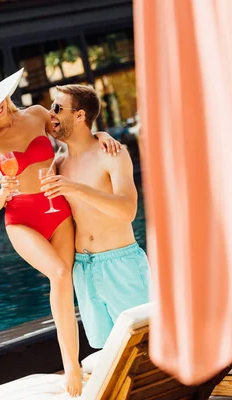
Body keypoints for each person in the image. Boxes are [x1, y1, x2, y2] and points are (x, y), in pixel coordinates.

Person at [0, 69, 121, 397]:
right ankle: (70, 365)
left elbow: (76, 137)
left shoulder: (38, 115)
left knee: (66, 279)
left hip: (57, 210)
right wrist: (4, 190)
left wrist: (101, 137)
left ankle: (80, 356)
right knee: (57, 272)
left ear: (5, 92)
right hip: (21, 219)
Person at [41, 84, 150, 351]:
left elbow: (128, 210)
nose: (50, 114)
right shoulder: (58, 162)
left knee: (146, 347)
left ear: (79, 116)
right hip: (84, 268)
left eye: (57, 108)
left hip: (120, 263)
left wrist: (75, 188)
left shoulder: (111, 153)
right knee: (109, 351)